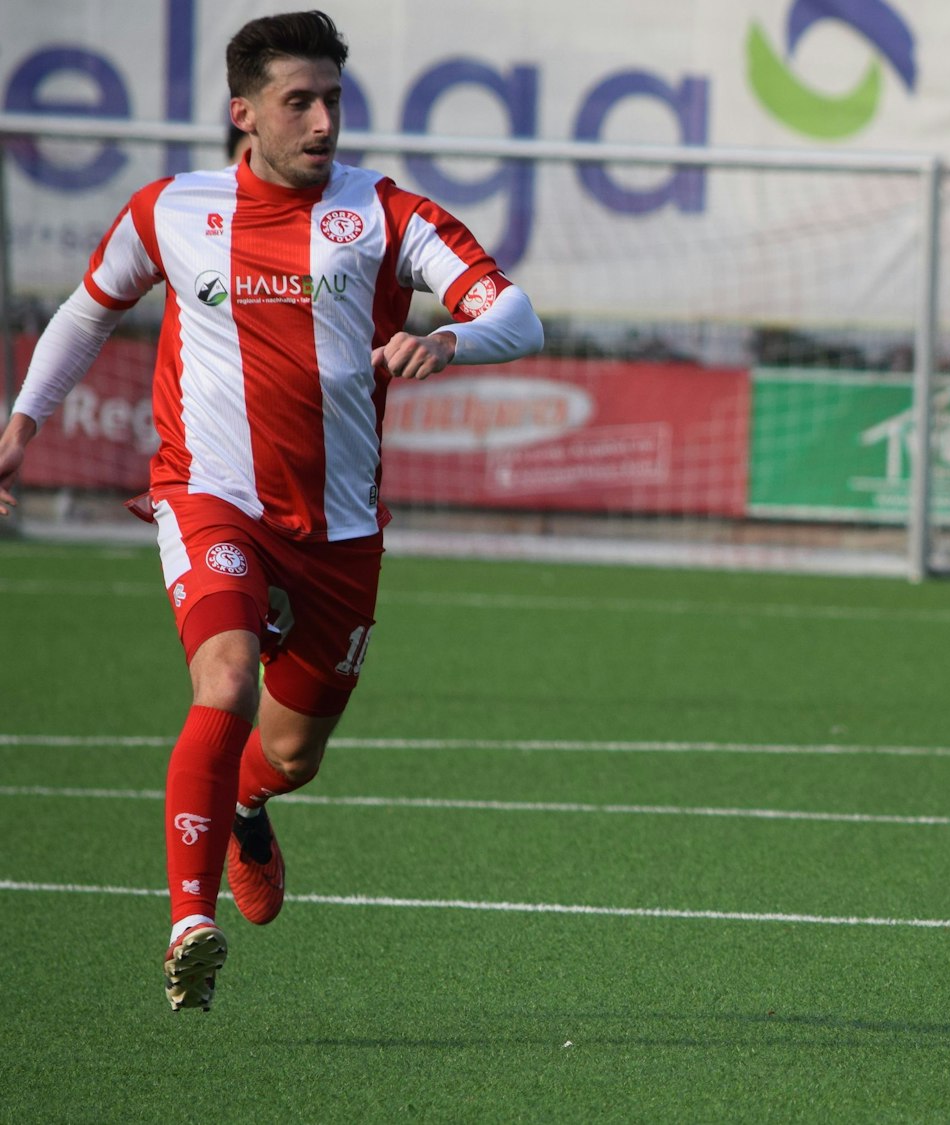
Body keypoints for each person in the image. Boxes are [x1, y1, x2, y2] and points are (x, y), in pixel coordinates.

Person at [0, 9, 544, 1011]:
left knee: (291, 754)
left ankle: (249, 804)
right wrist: (23, 421)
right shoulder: (171, 208)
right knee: (226, 675)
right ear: (243, 112)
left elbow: (516, 312)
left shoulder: (383, 214)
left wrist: (453, 341)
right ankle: (187, 925)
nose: (322, 121)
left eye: (333, 99)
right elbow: (88, 309)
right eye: (300, 101)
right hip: (211, 495)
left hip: (339, 529)